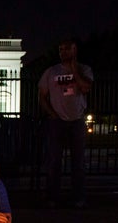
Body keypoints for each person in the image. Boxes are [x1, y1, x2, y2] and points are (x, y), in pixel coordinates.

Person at [39, 37, 93, 209]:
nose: (63, 52)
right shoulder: (51, 72)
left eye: (67, 49)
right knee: (54, 161)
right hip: (58, 122)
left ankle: (78, 198)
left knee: (78, 163)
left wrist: (74, 71)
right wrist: (52, 113)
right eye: (61, 49)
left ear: (75, 49)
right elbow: (41, 95)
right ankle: (52, 198)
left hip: (77, 120)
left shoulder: (85, 69)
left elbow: (86, 87)